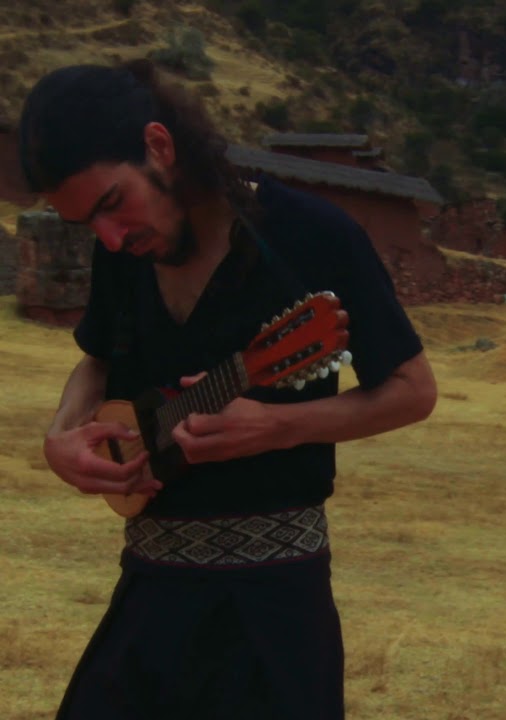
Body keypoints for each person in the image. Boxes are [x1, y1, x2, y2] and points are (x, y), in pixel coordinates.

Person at [20, 59, 438, 719]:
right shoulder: (123, 253)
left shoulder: (312, 235)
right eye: (88, 225)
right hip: (150, 589)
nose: (111, 237)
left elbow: (413, 390)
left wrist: (280, 427)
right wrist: (58, 438)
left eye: (112, 204)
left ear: (159, 146)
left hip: (276, 606)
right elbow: (97, 360)